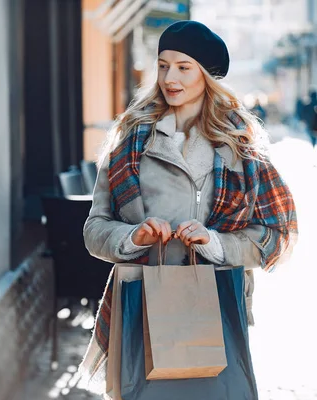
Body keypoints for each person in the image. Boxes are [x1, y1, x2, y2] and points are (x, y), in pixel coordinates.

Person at [78, 21, 297, 399]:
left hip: (216, 303)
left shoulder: (241, 146)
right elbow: (95, 228)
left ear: (207, 76)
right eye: (163, 65)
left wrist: (215, 244)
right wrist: (133, 237)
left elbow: (277, 236)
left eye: (183, 67)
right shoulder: (131, 138)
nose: (169, 78)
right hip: (141, 304)